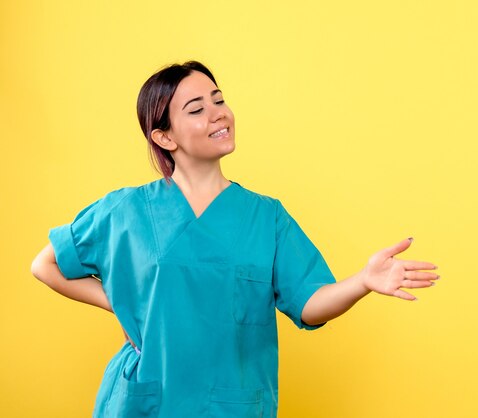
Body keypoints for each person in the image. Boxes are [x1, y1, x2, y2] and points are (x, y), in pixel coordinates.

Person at [30, 61, 440, 418]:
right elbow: (44, 265)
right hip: (146, 402)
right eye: (197, 109)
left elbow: (311, 305)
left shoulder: (266, 217)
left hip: (232, 404)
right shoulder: (125, 211)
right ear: (164, 137)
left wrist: (363, 281)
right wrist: (123, 304)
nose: (217, 114)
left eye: (219, 100)